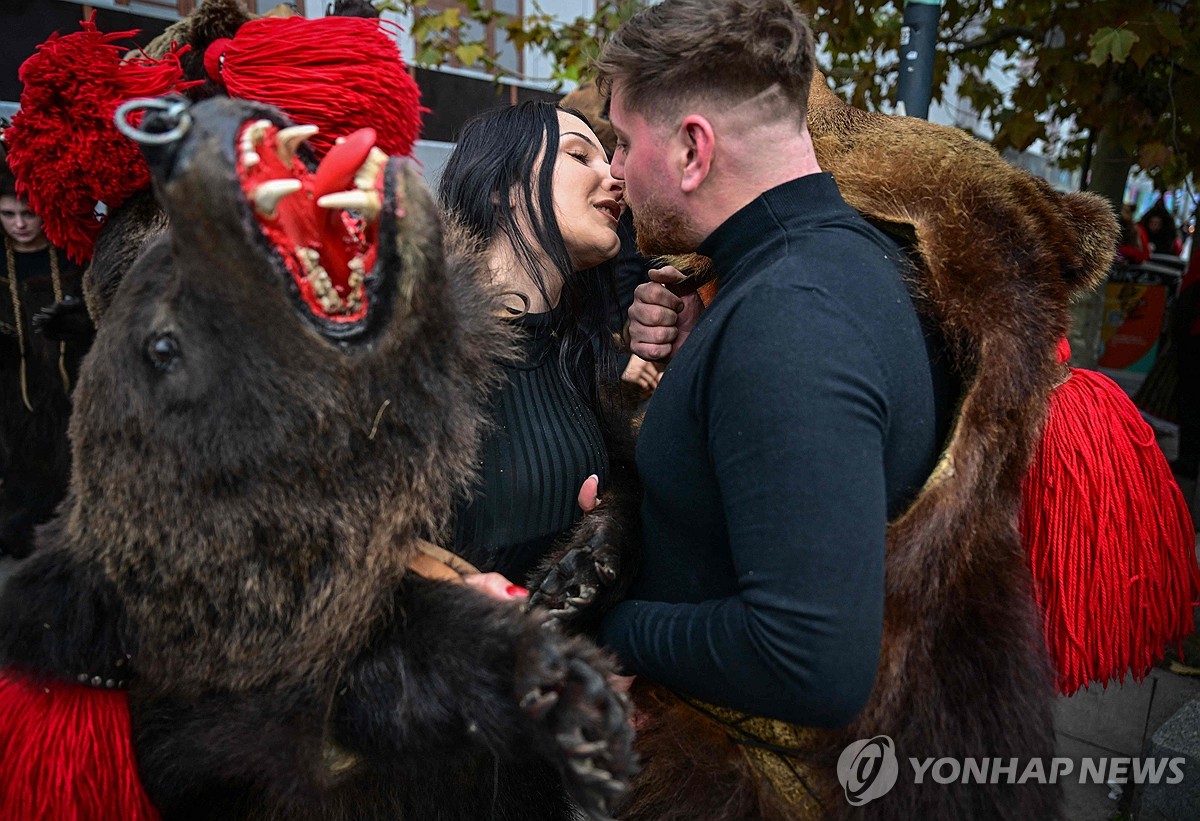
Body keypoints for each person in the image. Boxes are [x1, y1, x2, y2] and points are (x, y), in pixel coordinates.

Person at [594, 0, 956, 732]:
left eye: (625, 142)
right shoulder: (831, 263)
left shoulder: (790, 317)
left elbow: (809, 659)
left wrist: (612, 629)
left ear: (693, 150)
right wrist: (711, 353)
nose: (615, 169)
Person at [436, 101, 637, 592]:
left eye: (608, 156)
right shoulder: (423, 346)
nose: (614, 174)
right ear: (502, 186)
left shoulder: (580, 357)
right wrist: (443, 589)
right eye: (578, 155)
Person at [0, 168, 89, 558]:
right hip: (9, 395)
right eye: (7, 214)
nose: (19, 225)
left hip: (69, 392)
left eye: (28, 214)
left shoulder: (76, 255)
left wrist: (82, 324)